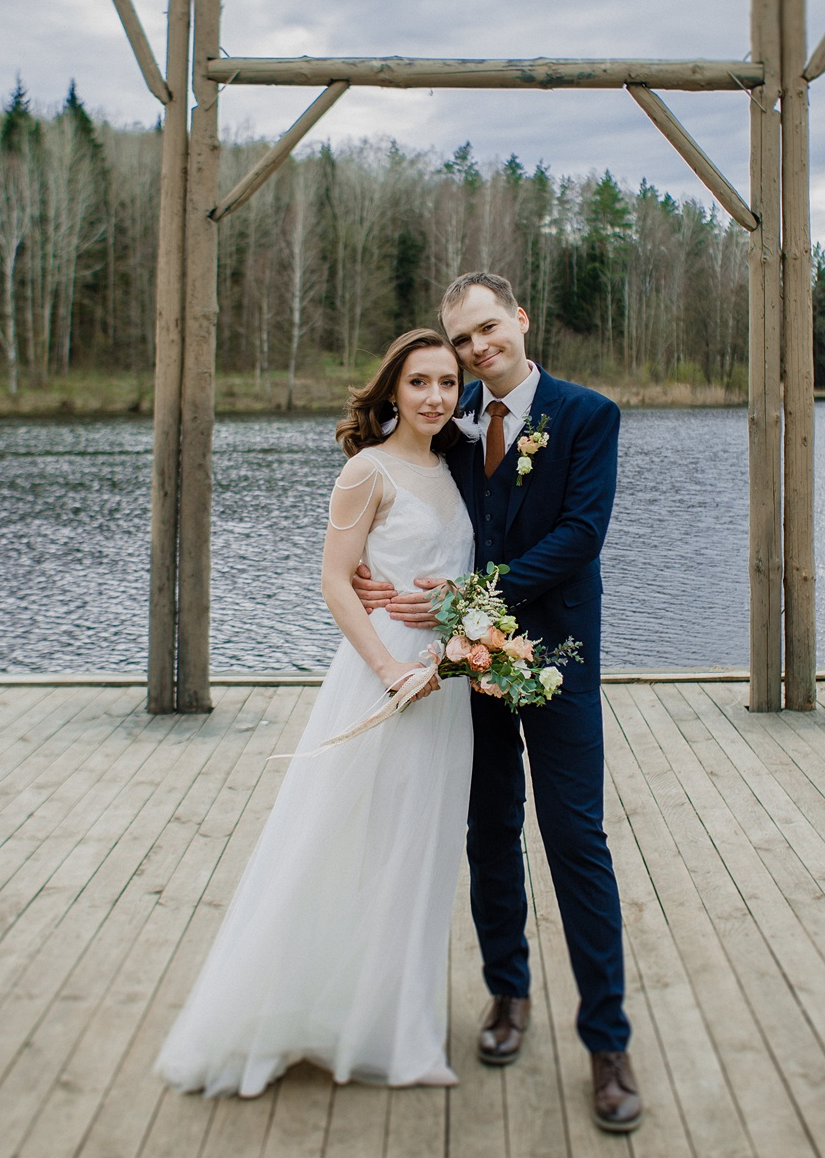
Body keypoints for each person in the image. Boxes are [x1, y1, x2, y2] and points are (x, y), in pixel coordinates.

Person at [354, 271, 643, 1133]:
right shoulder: (456, 426)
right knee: (489, 833)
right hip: (466, 672)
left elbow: (581, 535)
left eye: (489, 330)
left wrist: (475, 596)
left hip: (555, 658)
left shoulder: (587, 416)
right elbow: (404, 496)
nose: (480, 349)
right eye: (464, 340)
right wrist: (378, 578)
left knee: (576, 841)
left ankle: (607, 1043)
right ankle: (508, 996)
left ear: (519, 320)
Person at [156, 329, 474, 1098]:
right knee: (340, 841)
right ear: (392, 390)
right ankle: (292, 1011)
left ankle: (393, 1019)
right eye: (420, 382)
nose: (435, 397)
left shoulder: (457, 465)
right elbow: (336, 582)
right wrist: (391, 667)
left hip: (448, 682)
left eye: (448, 383)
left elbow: (461, 570)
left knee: (420, 852)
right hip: (385, 676)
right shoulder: (368, 472)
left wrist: (458, 628)